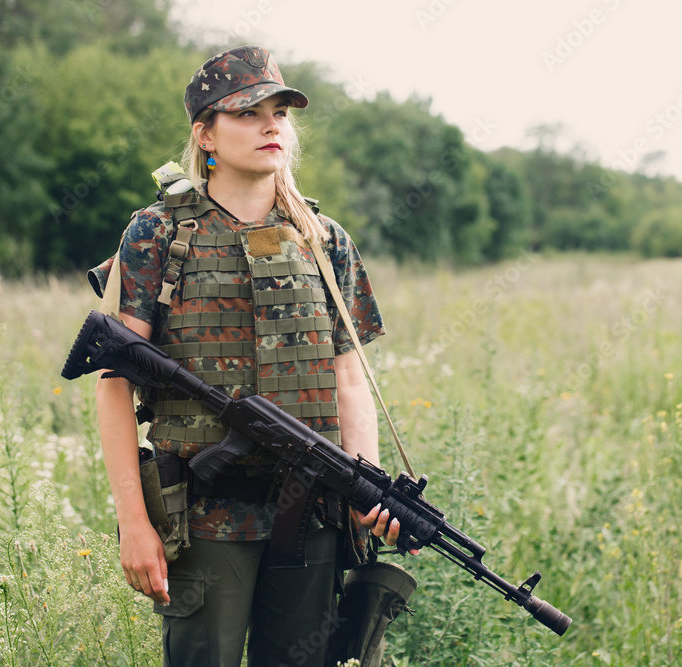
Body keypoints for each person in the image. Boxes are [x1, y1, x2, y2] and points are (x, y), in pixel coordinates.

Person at [92, 45, 404, 666]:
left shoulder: (324, 240)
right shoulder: (158, 233)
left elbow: (348, 377)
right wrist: (133, 522)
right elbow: (112, 384)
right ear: (205, 133)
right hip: (206, 520)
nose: (271, 126)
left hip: (311, 517)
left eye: (281, 113)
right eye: (247, 113)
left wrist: (364, 486)